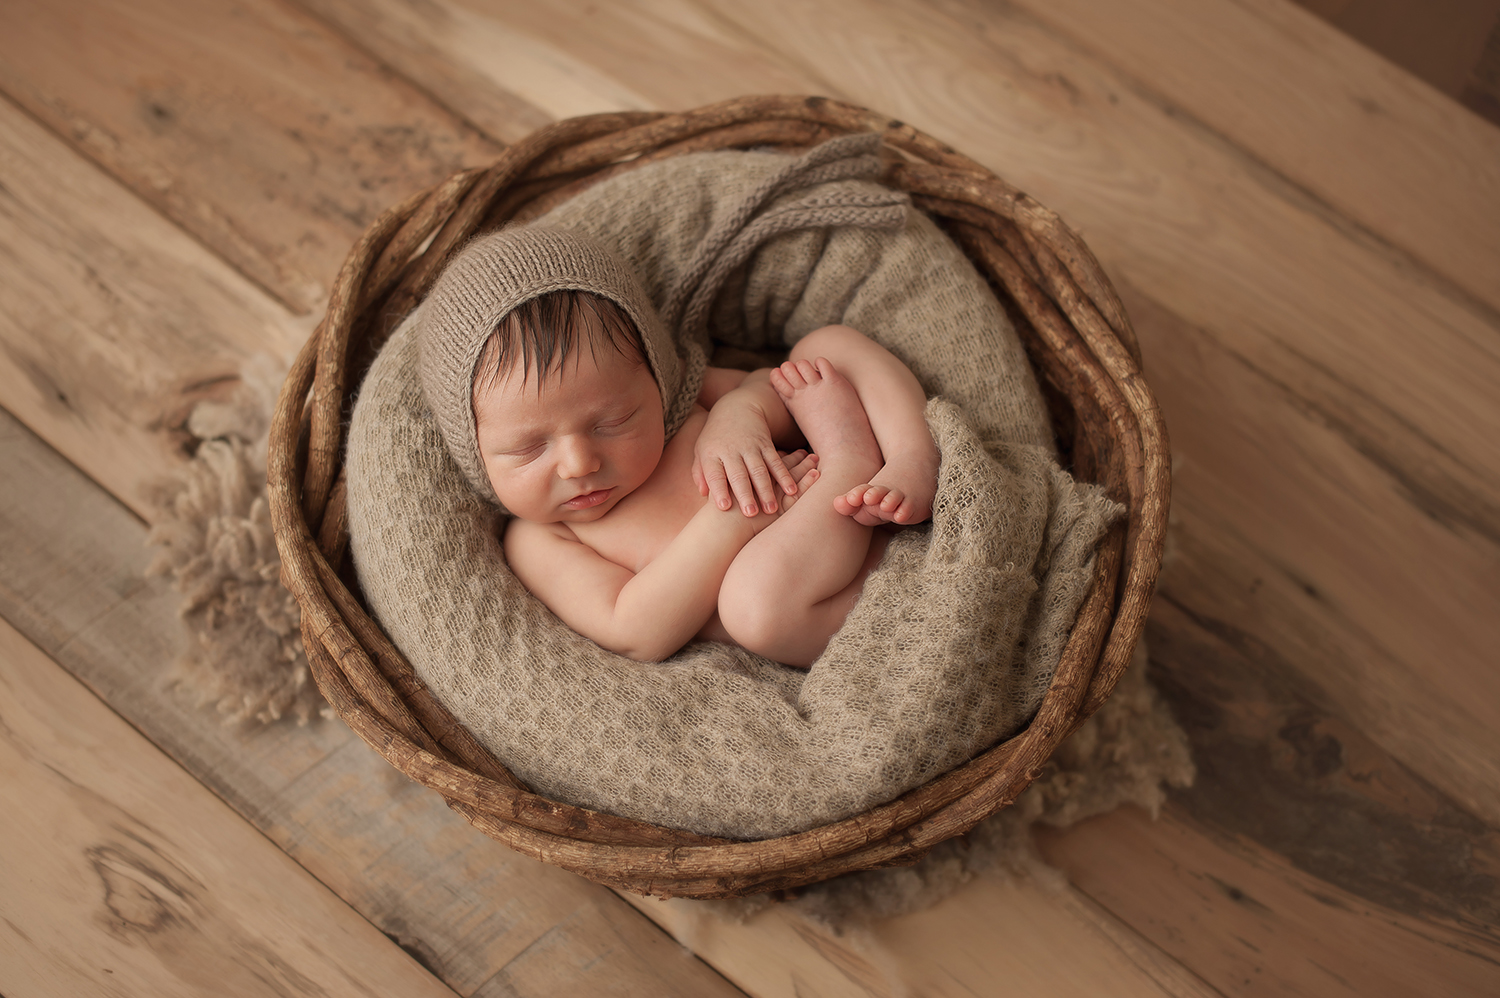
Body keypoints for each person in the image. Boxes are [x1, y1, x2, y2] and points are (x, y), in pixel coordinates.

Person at [420, 227, 939, 667]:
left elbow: (782, 390)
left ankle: (913, 455)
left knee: (824, 349)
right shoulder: (540, 540)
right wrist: (733, 521)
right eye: (529, 449)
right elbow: (634, 628)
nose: (580, 463)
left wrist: (740, 416)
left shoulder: (682, 402)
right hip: (835, 595)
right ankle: (852, 460)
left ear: (656, 376)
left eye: (614, 420)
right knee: (755, 606)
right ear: (475, 452)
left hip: (884, 510)